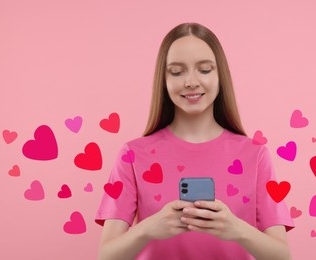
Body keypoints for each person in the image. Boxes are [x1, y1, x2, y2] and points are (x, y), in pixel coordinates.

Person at [95, 22, 294, 260]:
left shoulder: (256, 154)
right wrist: (148, 229)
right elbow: (106, 255)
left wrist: (235, 229)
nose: (191, 81)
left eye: (205, 69)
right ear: (163, 79)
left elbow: (282, 255)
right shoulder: (132, 154)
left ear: (221, 76)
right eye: (177, 72)